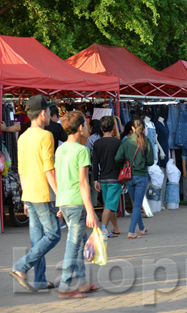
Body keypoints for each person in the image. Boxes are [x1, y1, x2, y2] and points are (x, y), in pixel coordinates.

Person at [10, 95, 60, 292]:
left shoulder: (22, 138)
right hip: (42, 194)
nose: (49, 114)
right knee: (54, 234)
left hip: (29, 193)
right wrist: (60, 196)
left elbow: (21, 169)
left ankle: (40, 280)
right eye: (48, 111)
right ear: (42, 113)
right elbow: (49, 169)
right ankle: (21, 267)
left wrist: (24, 195)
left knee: (38, 239)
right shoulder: (45, 135)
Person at [55, 111, 100, 299]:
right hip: (76, 203)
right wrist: (91, 212)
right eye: (86, 124)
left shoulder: (60, 149)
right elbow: (83, 183)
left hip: (65, 201)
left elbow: (60, 177)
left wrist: (60, 204)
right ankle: (65, 285)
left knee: (80, 241)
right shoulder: (81, 151)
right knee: (73, 245)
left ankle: (82, 282)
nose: (88, 128)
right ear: (80, 127)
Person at [115, 118, 154, 239]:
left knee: (136, 204)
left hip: (129, 176)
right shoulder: (146, 141)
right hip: (141, 175)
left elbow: (117, 158)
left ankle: (142, 228)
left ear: (132, 128)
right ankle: (131, 231)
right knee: (137, 204)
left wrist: (125, 163)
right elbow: (151, 161)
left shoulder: (126, 142)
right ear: (143, 128)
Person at [92, 116, 122, 237]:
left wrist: (95, 180)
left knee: (108, 204)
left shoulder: (97, 143)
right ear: (113, 127)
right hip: (115, 177)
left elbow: (95, 164)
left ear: (101, 128)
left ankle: (116, 228)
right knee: (110, 205)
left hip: (103, 178)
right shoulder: (118, 142)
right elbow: (121, 161)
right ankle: (102, 229)